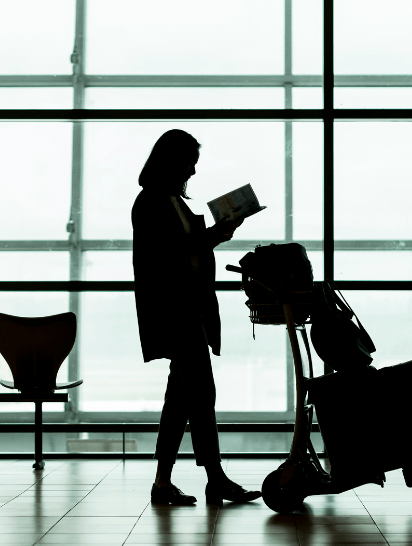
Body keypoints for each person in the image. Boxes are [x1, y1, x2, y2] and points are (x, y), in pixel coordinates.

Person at [132, 129, 262, 505]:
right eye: (189, 162)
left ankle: (163, 482)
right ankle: (215, 477)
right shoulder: (152, 203)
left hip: (188, 310)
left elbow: (183, 250)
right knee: (200, 394)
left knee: (182, 398)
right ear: (171, 162)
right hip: (176, 313)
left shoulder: (171, 202)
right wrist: (214, 237)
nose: (192, 170)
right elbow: (171, 256)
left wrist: (216, 234)